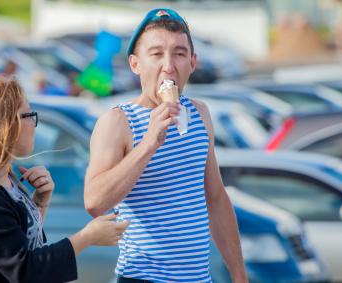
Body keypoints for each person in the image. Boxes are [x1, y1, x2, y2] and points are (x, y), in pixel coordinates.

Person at [84, 8, 247, 283]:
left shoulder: (200, 113)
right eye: (157, 54)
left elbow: (216, 198)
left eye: (179, 54)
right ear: (136, 64)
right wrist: (149, 143)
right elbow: (95, 202)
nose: (169, 66)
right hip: (142, 276)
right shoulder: (117, 121)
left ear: (192, 63)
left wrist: (239, 275)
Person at [0, 79, 129, 283]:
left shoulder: (5, 179)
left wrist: (40, 201)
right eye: (28, 115)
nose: (34, 123)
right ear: (3, 126)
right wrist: (87, 237)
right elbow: (26, 270)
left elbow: (24, 242)